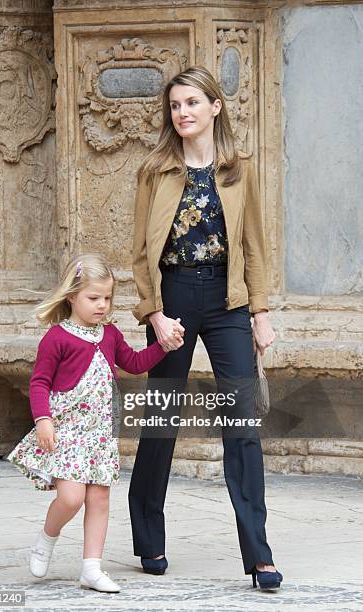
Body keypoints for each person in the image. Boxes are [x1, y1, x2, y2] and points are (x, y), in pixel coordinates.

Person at [128, 66, 283, 590]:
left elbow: (255, 246)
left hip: (228, 300)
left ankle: (259, 555)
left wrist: (260, 313)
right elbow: (140, 252)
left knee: (242, 425)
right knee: (162, 419)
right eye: (175, 106)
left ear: (215, 106)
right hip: (172, 297)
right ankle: (148, 538)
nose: (183, 113)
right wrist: (154, 315)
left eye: (192, 102)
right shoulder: (154, 170)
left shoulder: (241, 170)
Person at [8, 253, 182, 593]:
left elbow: (133, 363)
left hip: (100, 434)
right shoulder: (57, 338)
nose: (102, 305)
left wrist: (164, 345)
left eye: (107, 298)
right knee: (71, 498)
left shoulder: (110, 335)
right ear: (72, 296)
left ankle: (92, 568)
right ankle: (47, 537)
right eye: (93, 298)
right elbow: (39, 382)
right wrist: (43, 419)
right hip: (68, 431)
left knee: (99, 498)